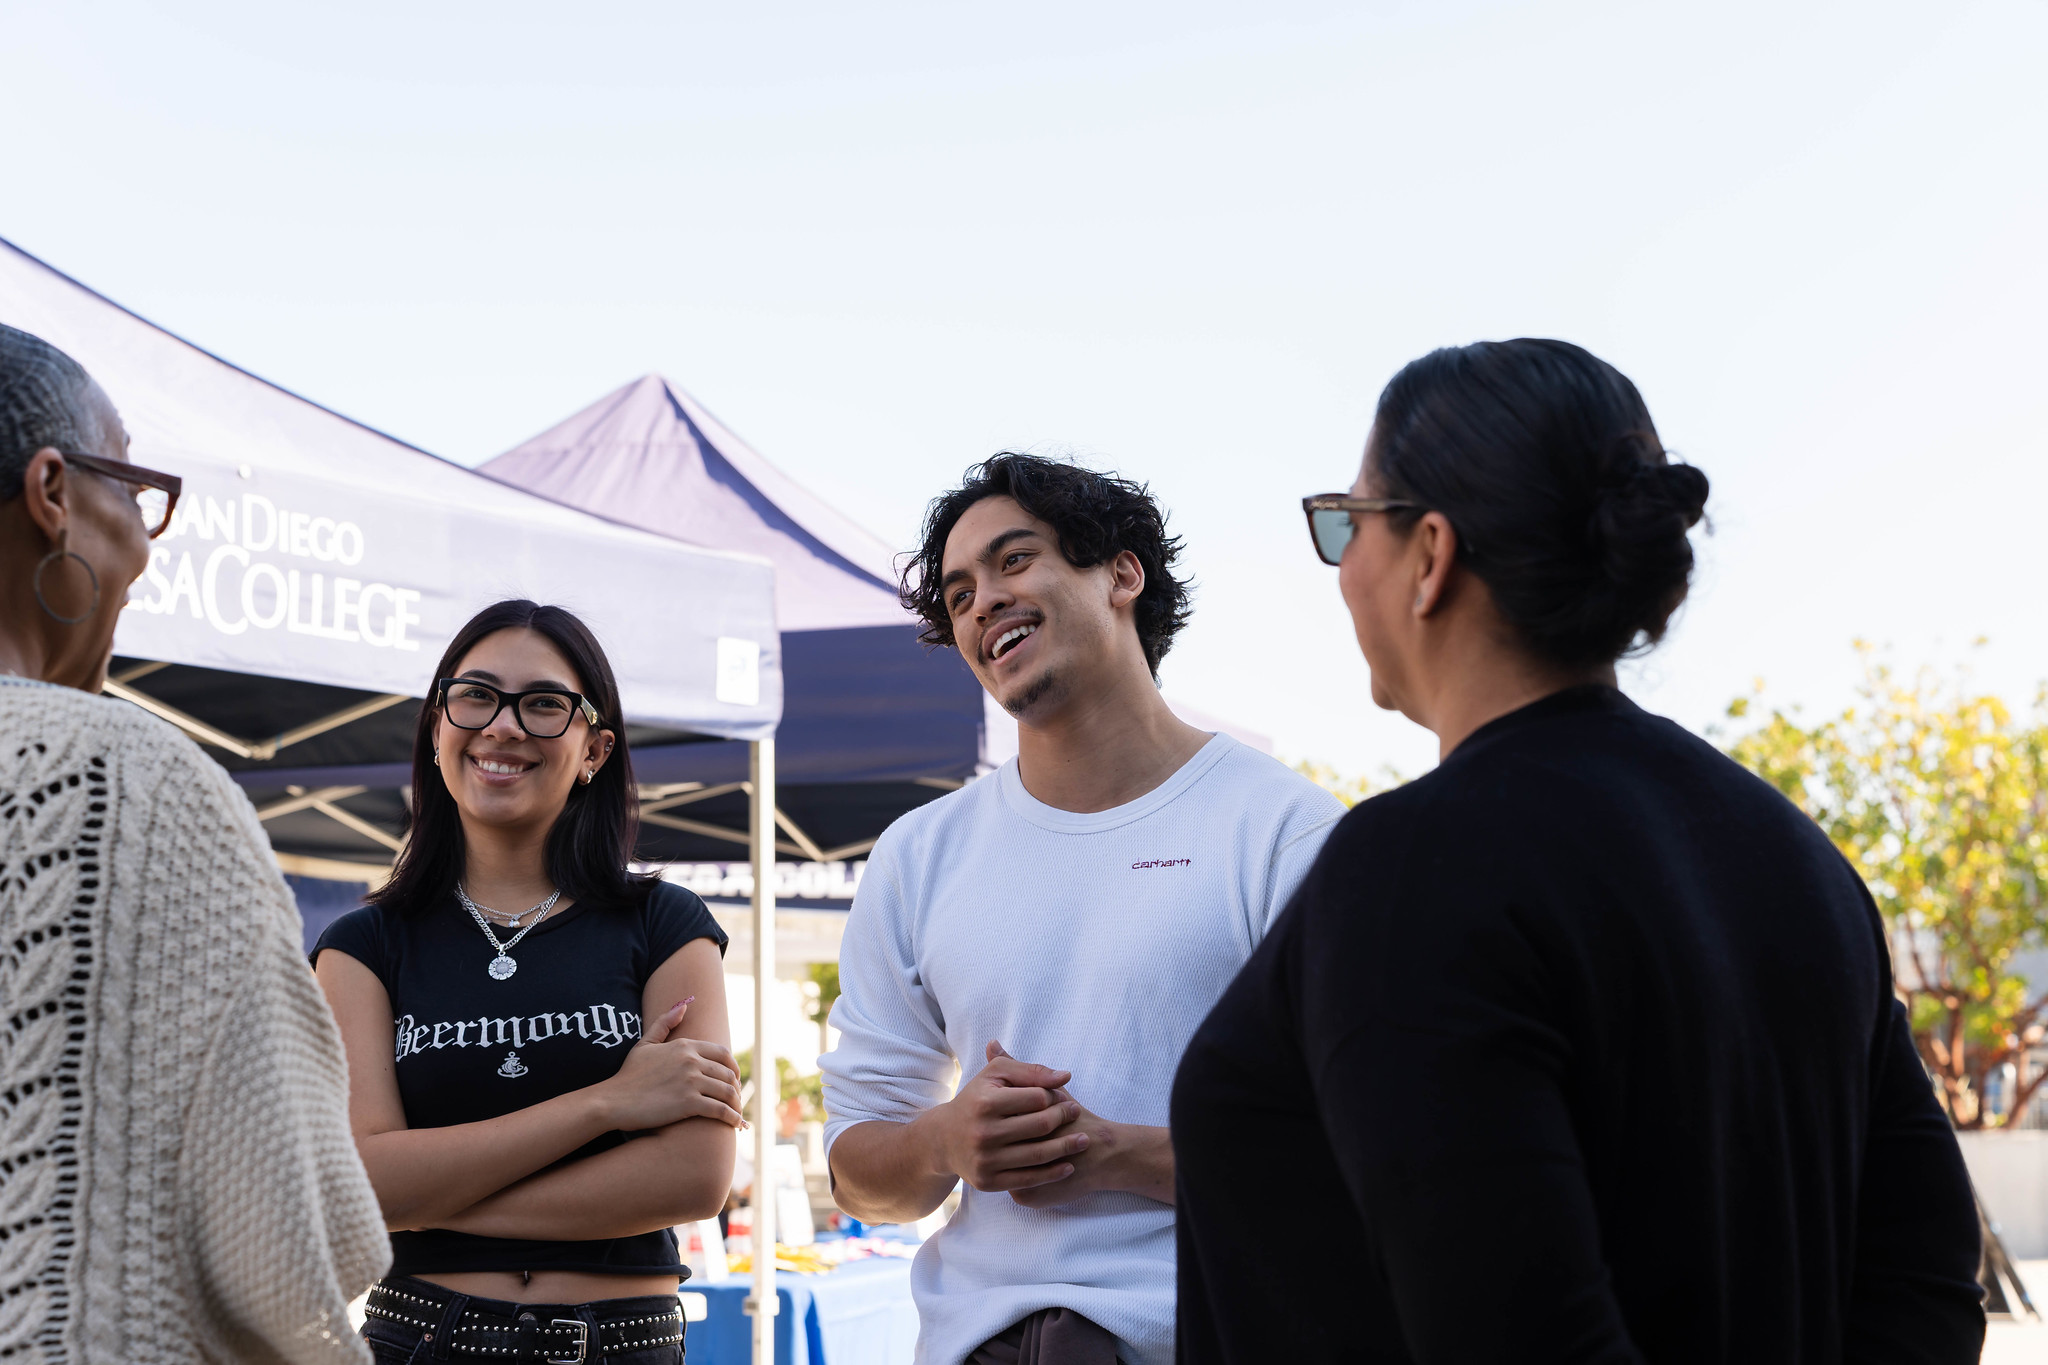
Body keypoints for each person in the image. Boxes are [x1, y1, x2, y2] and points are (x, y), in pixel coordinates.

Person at [1171, 339, 1985, 1362]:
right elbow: (1920, 1280)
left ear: (1429, 556)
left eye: (1348, 525)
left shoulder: (1412, 873)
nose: (1342, 574)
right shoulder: (1794, 859)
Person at [820, 454, 1344, 1365]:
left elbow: (1356, 1156)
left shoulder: (1284, 830)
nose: (982, 600)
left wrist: (1113, 1151)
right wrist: (945, 1139)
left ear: (1122, 573)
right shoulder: (917, 854)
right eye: (958, 594)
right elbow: (860, 1175)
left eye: (1014, 560)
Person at [0, 323, 390, 1362]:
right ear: (51, 493)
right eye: (132, 490)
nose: (141, 545)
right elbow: (304, 1242)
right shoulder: (133, 785)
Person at [313, 600, 743, 1365]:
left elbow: (694, 1176)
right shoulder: (363, 944)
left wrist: (430, 1201)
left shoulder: (665, 922)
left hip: (620, 1344)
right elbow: (359, 1187)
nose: (503, 725)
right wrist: (605, 1103)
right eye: (475, 695)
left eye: (544, 704)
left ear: (595, 749)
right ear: (438, 727)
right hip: (421, 1339)